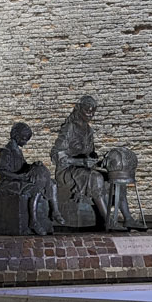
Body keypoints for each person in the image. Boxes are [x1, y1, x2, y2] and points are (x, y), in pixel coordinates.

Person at [50, 95, 110, 229]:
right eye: (88, 111)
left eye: (93, 111)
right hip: (67, 171)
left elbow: (89, 153)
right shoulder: (69, 128)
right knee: (95, 178)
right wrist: (82, 161)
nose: (91, 115)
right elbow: (56, 156)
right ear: (79, 109)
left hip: (83, 169)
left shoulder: (89, 130)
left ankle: (119, 218)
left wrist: (95, 159)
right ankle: (108, 221)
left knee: (110, 177)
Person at [0, 122, 64, 233]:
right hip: (9, 182)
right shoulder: (6, 151)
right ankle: (33, 221)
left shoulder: (18, 151)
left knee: (51, 183)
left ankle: (55, 212)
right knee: (36, 188)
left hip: (20, 178)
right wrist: (20, 177)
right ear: (17, 136)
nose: (25, 142)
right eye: (24, 139)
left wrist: (33, 165)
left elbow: (22, 166)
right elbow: (3, 172)